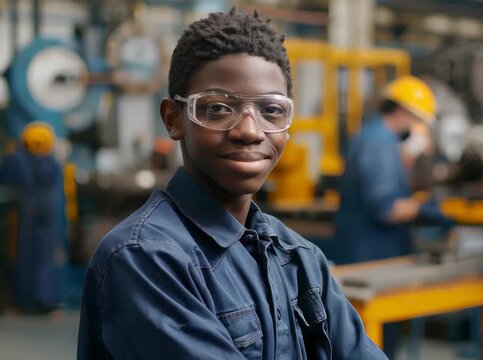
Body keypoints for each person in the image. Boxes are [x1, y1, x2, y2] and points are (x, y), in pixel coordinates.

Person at [77, 9, 387, 359]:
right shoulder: (144, 260)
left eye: (271, 111)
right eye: (219, 108)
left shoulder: (299, 259)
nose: (249, 131)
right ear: (174, 119)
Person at [334, 76, 453, 357]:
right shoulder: (380, 143)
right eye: (417, 119)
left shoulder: (375, 137)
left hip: (367, 252)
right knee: (375, 343)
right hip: (373, 260)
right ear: (402, 112)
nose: (417, 127)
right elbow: (386, 208)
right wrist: (430, 211)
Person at [0, 121, 64, 313]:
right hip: (46, 215)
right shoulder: (52, 162)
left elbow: (6, 181)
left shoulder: (17, 159)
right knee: (46, 256)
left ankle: (24, 301)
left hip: (24, 216)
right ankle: (45, 300)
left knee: (24, 257)